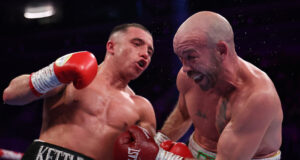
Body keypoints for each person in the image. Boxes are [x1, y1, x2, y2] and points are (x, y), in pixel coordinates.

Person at [3, 23, 157, 160]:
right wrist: (53, 74)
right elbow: (10, 95)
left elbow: (147, 154)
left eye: (150, 52)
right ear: (111, 47)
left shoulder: (142, 109)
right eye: (137, 44)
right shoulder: (72, 76)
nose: (145, 54)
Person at [154, 11, 283, 160]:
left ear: (221, 50)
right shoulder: (190, 76)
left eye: (191, 57)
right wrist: (158, 143)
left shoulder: (257, 97)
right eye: (181, 58)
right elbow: (184, 114)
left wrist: (164, 157)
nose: (185, 68)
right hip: (194, 152)